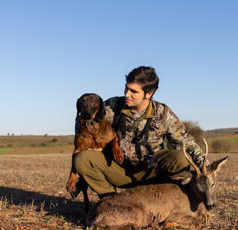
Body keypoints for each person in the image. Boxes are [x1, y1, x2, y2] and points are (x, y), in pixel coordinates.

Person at [73, 66, 206, 198]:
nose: (126, 94)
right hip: (120, 169)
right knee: (82, 159)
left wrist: (207, 168)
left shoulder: (163, 113)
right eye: (126, 88)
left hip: (152, 171)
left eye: (133, 91)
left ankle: (171, 201)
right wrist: (96, 145)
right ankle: (111, 201)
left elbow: (187, 143)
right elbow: (82, 119)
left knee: (181, 158)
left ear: (149, 93)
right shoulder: (113, 106)